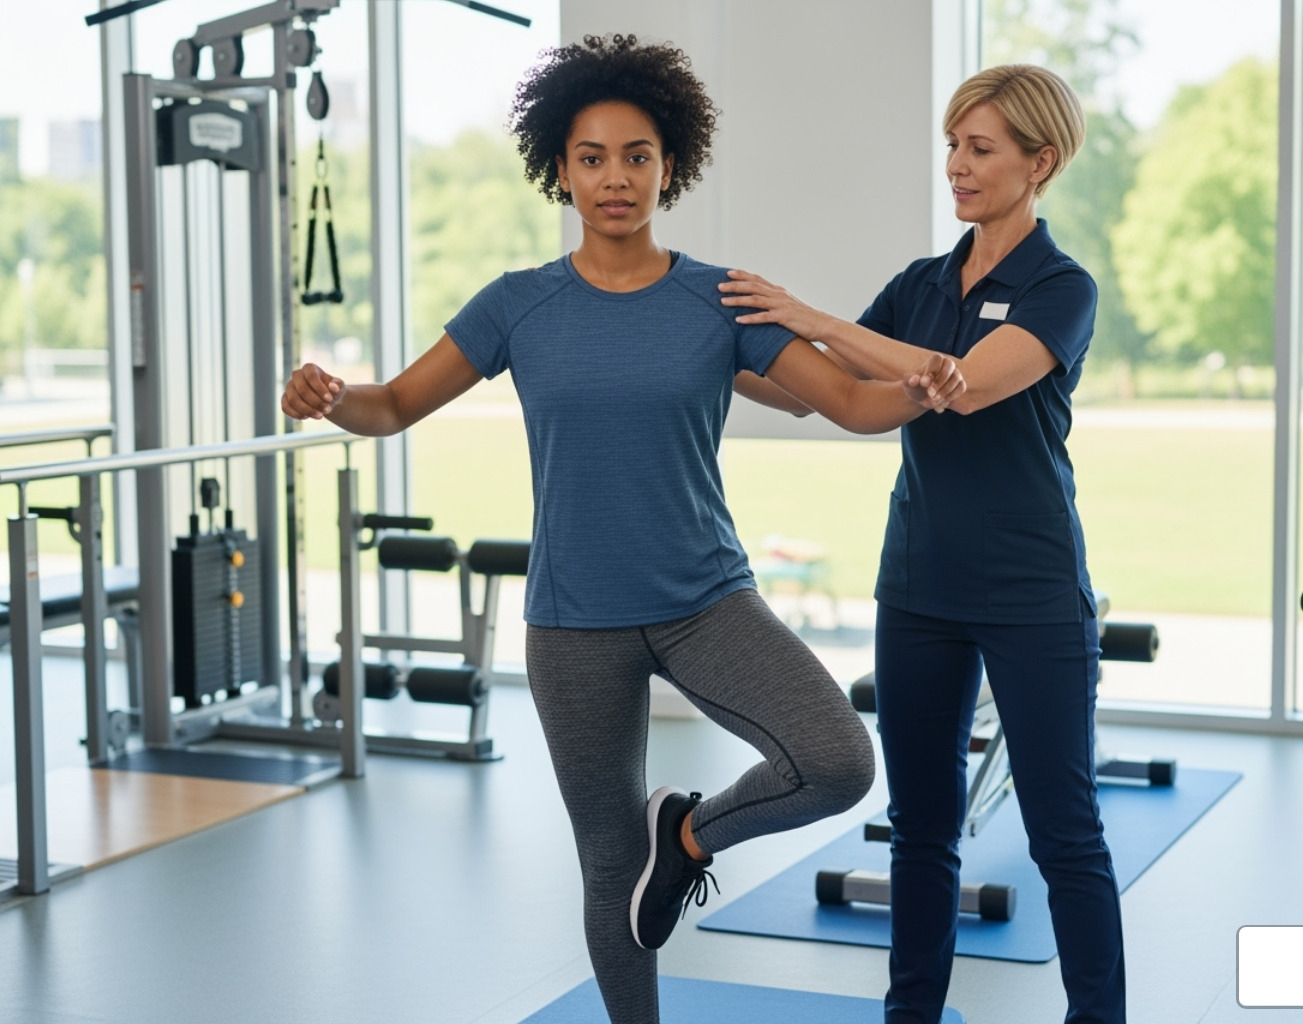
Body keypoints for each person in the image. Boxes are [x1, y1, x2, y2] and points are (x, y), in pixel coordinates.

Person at [280, 34, 965, 1024]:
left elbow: (848, 405)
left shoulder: (717, 299)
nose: (615, 178)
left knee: (839, 762)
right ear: (559, 168)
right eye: (593, 157)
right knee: (608, 866)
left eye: (637, 155)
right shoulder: (518, 306)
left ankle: (684, 837)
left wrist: (926, 388)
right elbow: (390, 407)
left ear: (669, 165)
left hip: (704, 602)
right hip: (573, 624)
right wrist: (332, 395)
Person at [719, 64, 1125, 1024]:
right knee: (921, 833)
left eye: (981, 149)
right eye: (953, 146)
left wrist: (810, 317)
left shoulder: (1062, 288)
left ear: (1042, 162)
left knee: (1065, 835)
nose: (957, 166)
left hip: (1031, 592)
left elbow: (967, 382)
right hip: (919, 590)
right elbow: (828, 392)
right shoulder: (923, 283)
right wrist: (715, 345)